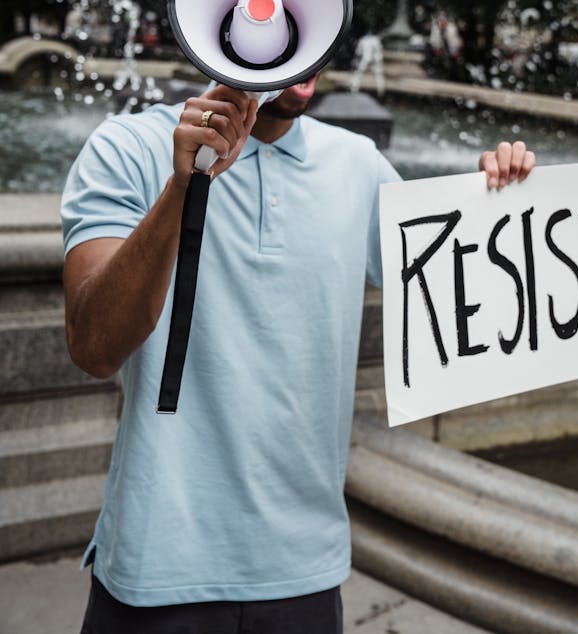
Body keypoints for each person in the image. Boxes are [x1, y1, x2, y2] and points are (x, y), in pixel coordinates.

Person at [62, 72, 536, 633]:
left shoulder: (359, 165)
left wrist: (502, 204)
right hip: (156, 567)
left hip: (305, 571)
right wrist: (182, 189)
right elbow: (94, 348)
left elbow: (471, 300)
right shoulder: (128, 146)